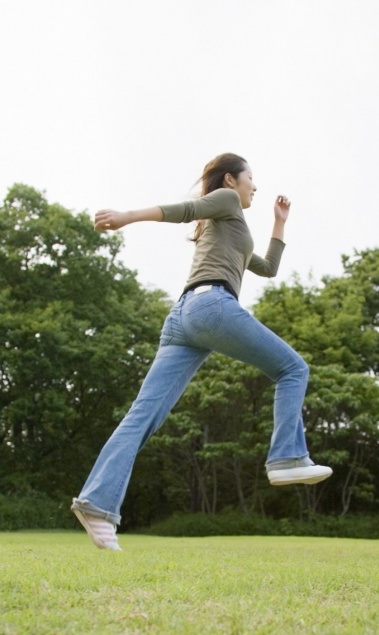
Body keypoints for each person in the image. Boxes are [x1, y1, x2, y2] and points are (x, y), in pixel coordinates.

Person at [71, 152, 332, 550]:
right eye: (251, 179)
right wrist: (126, 216)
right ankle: (286, 458)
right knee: (293, 369)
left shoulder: (232, 225)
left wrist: (279, 224)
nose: (256, 187)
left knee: (144, 415)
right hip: (211, 307)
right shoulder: (226, 202)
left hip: (183, 319)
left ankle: (96, 505)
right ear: (231, 180)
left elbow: (266, 267)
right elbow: (185, 208)